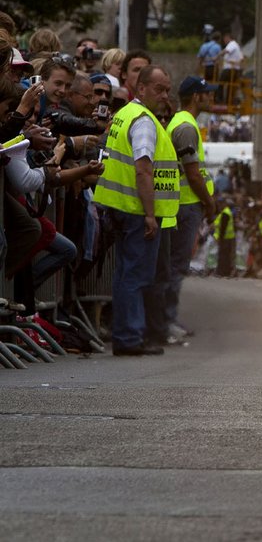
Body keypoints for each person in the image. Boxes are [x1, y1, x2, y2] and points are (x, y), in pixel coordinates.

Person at [94, 65, 181, 356]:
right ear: (141, 88)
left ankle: (125, 334)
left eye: (168, 90)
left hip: (119, 207)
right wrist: (149, 213)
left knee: (123, 275)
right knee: (135, 276)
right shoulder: (144, 121)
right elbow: (143, 170)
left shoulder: (124, 115)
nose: (164, 95)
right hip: (135, 210)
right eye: (159, 89)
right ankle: (130, 337)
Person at [162, 76, 219, 340]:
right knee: (175, 266)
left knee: (174, 265)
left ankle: (167, 319)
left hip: (184, 205)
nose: (211, 97)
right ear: (196, 97)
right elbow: (193, 174)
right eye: (207, 93)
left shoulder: (184, 123)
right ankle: (166, 321)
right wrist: (209, 203)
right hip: (185, 205)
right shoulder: (185, 126)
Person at [218, 33, 244, 106]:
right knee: (230, 86)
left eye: (224, 39)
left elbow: (226, 51)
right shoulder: (237, 46)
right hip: (235, 70)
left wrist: (217, 56)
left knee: (220, 83)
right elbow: (242, 59)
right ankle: (228, 101)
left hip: (229, 69)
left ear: (228, 37)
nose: (224, 41)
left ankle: (219, 100)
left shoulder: (232, 44)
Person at [213, 198, 236, 277]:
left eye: (220, 204)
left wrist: (220, 238)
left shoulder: (225, 213)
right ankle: (226, 272)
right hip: (229, 237)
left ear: (224, 204)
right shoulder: (227, 212)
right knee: (227, 255)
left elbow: (223, 227)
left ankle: (222, 272)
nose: (219, 206)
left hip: (225, 238)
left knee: (223, 255)